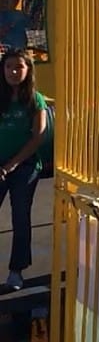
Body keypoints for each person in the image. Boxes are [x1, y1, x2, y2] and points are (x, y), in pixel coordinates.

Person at [0, 48, 47, 291]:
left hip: (24, 165)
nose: (13, 71)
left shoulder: (35, 100)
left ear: (28, 70)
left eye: (19, 67)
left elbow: (38, 137)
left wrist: (13, 164)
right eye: (9, 67)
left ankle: (16, 272)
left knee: (20, 215)